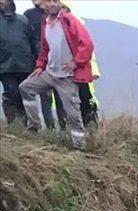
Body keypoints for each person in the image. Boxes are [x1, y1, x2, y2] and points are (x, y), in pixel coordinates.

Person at [19, 0, 93, 149]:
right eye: (49, 1)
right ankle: (34, 126)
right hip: (49, 73)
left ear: (60, 3)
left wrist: (76, 62)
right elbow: (45, 48)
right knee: (26, 88)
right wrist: (40, 66)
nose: (52, 4)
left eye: (55, 1)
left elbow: (87, 43)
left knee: (73, 113)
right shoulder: (45, 22)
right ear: (44, 4)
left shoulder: (69, 20)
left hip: (66, 76)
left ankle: (79, 147)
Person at [0, 0, 37, 124]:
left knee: (25, 96)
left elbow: (34, 41)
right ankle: (14, 125)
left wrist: (37, 62)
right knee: (11, 95)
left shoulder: (23, 20)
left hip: (25, 66)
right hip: (5, 67)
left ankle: (26, 124)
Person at [22, 0, 54, 128]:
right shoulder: (28, 15)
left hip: (56, 61)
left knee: (58, 97)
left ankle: (60, 127)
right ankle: (38, 126)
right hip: (36, 62)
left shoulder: (57, 13)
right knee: (41, 94)